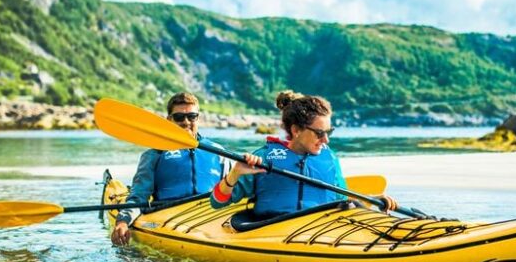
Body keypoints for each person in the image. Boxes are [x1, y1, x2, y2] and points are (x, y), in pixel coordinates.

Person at [210, 90, 398, 218]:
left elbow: (343, 201)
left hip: (321, 231)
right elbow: (217, 202)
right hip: (273, 231)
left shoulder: (329, 158)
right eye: (319, 133)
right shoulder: (265, 158)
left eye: (329, 132)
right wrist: (235, 173)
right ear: (297, 129)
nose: (326, 140)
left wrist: (372, 200)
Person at [111, 92, 226, 244]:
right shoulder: (155, 154)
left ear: (198, 118)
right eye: (179, 117)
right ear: (169, 120)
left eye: (192, 116)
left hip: (212, 218)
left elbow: (232, 191)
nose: (186, 122)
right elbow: (138, 198)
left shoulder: (219, 153)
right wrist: (123, 221)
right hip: (169, 216)